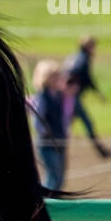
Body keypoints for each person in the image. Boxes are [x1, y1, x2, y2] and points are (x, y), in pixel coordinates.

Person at [30, 60, 67, 192]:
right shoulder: (42, 97)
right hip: (47, 143)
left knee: (59, 178)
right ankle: (45, 203)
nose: (59, 79)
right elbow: (37, 120)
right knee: (53, 176)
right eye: (55, 76)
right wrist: (47, 133)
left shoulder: (57, 96)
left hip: (59, 141)